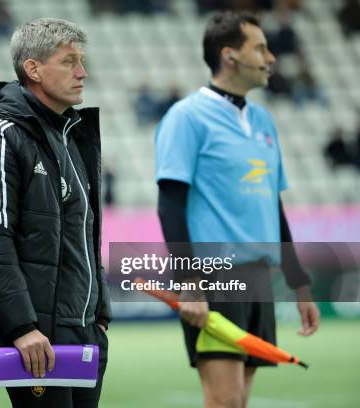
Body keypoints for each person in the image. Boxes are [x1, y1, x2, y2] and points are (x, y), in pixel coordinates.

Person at [155, 12, 320, 408]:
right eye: (260, 48)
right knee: (225, 401)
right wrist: (189, 282)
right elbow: (170, 205)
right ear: (230, 56)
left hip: (259, 278)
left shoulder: (263, 119)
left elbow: (272, 205)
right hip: (217, 279)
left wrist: (300, 284)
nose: (271, 57)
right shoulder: (186, 116)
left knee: (239, 401)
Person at [0, 18, 111, 408]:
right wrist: (22, 327)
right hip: (35, 338)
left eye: (82, 60)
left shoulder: (72, 137)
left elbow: (86, 234)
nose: (82, 72)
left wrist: (99, 314)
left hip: (83, 330)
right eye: (69, 61)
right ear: (33, 69)